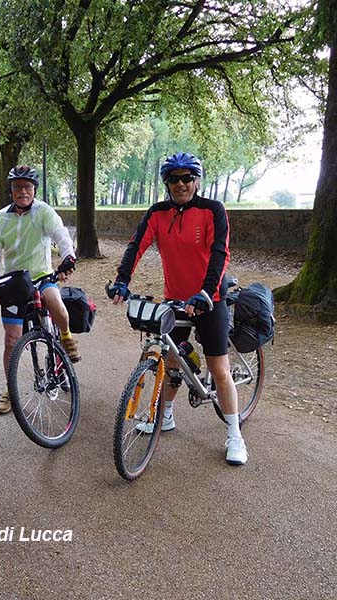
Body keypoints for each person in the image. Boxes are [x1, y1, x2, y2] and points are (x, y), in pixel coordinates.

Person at [109, 152, 248, 466]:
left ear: (197, 181)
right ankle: (167, 415)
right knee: (172, 360)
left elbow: (220, 253)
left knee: (219, 369)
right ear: (166, 183)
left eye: (187, 178)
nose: (180, 184)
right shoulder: (158, 213)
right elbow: (136, 245)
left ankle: (235, 435)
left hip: (210, 298)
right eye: (174, 178)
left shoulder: (212, 210)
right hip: (176, 298)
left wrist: (206, 292)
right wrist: (122, 280)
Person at [0, 165, 78, 415]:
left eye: (27, 187)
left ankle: (66, 337)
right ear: (11, 190)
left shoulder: (43, 211)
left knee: (55, 303)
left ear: (34, 190)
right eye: (18, 187)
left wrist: (68, 256)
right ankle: (10, 389)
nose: (23, 192)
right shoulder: (1, 217)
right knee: (11, 340)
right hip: (14, 282)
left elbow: (60, 234)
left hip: (41, 276)